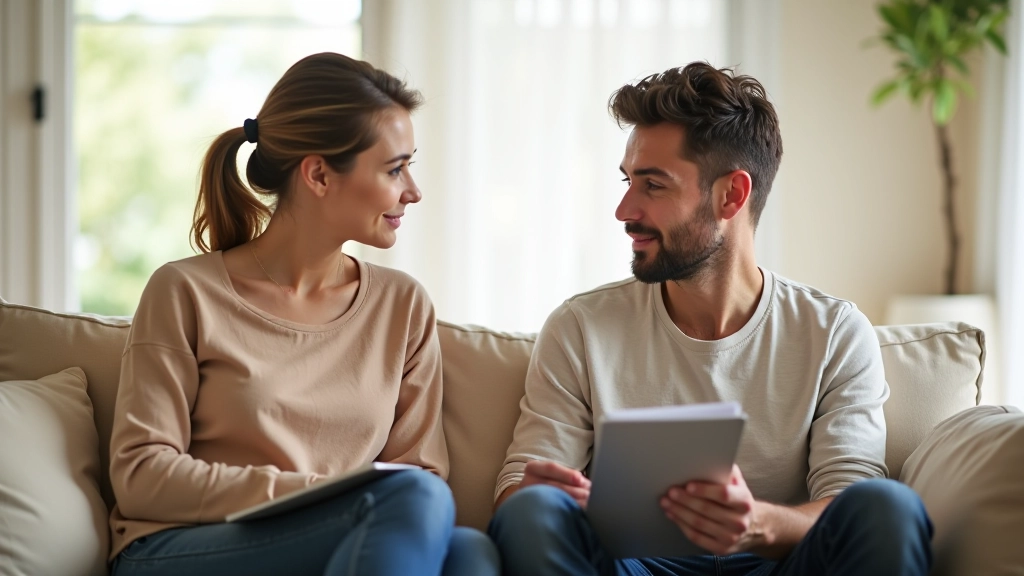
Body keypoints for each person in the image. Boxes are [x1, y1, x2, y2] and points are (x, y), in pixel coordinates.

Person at [487, 62, 933, 576]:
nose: (624, 210)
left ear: (732, 196)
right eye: (628, 181)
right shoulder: (581, 328)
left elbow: (847, 501)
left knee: (888, 507)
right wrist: (555, 499)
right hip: (633, 567)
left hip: (779, 563)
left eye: (652, 186)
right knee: (532, 511)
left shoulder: (833, 332)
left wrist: (757, 525)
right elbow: (516, 500)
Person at [107, 52, 499, 576]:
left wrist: (344, 506)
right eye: (395, 168)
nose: (413, 191)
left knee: (472, 552)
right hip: (188, 548)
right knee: (409, 503)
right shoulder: (184, 291)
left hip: (346, 538)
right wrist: (328, 497)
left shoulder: (401, 304)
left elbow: (421, 474)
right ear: (317, 174)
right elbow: (141, 476)